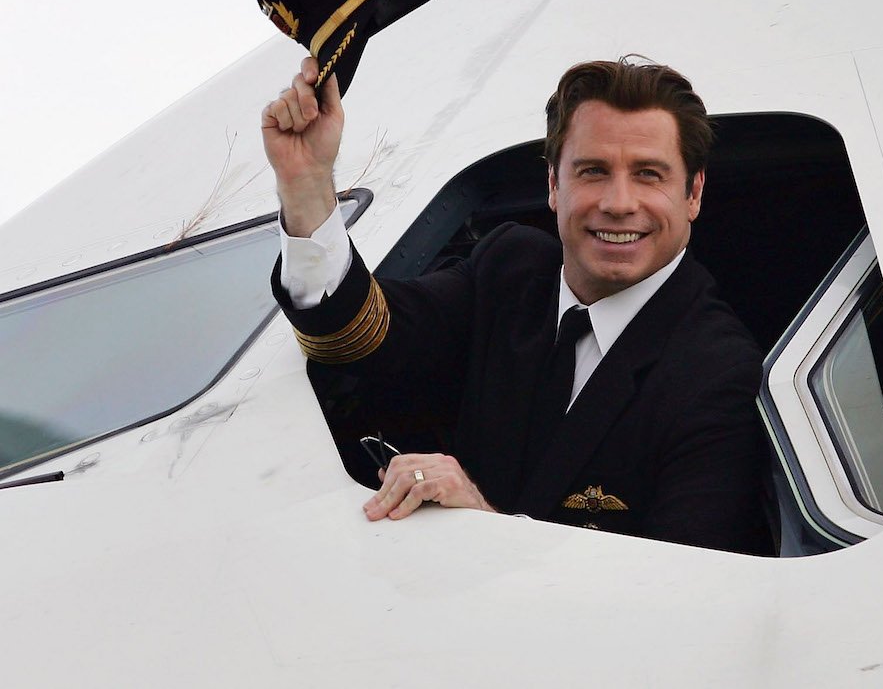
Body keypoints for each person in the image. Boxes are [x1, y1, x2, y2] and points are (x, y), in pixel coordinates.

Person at [262, 56, 773, 555]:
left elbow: (684, 593)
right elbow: (360, 336)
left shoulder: (719, 371)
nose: (619, 202)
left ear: (693, 193)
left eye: (648, 174)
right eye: (593, 171)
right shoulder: (510, 270)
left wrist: (484, 524)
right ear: (553, 185)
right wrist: (306, 185)